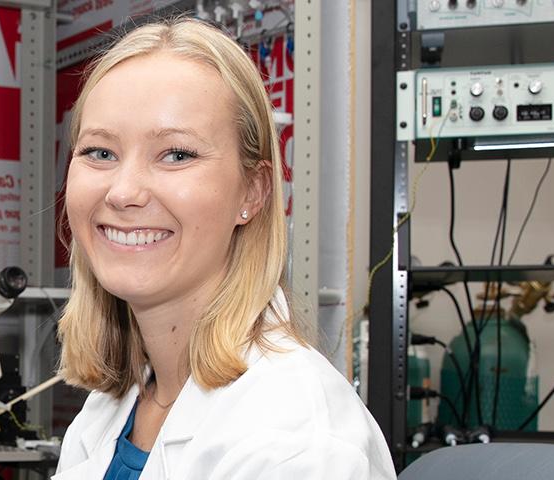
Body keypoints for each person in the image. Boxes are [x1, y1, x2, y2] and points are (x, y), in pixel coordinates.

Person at [52, 18, 395, 479]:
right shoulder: (114, 409)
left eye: (176, 154)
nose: (123, 192)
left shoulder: (297, 442)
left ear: (252, 192)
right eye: (100, 152)